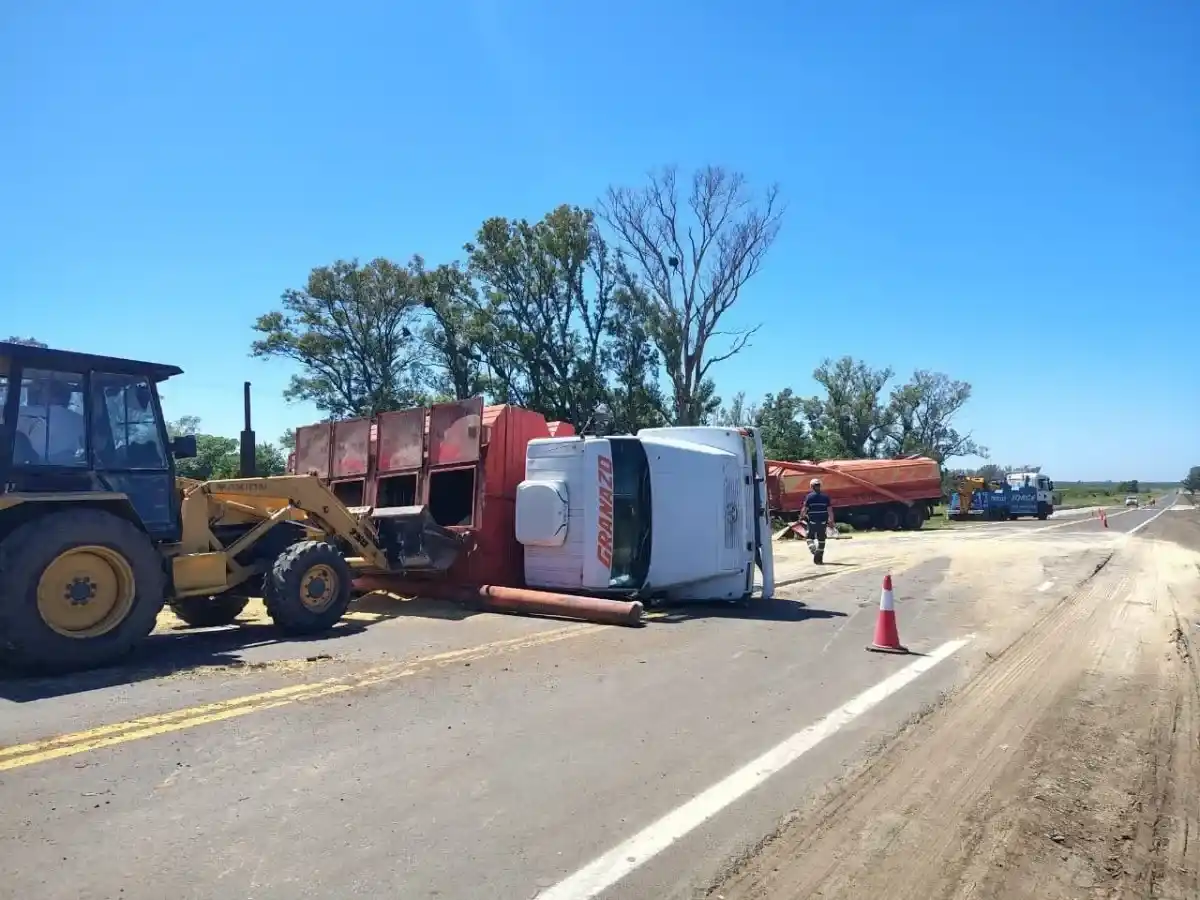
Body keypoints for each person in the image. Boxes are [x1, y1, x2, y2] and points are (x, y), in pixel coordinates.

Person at [17, 377, 86, 466]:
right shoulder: (80, 420)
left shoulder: (22, 413)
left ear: (50, 395)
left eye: (40, 392)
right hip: (69, 472)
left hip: (28, 470)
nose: (37, 396)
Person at [799, 477, 835, 564]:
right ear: (820, 486)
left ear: (811, 486)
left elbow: (804, 509)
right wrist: (831, 521)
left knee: (809, 538)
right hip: (823, 522)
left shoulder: (809, 497)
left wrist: (801, 517)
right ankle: (819, 559)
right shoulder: (825, 497)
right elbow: (830, 510)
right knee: (822, 539)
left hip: (812, 522)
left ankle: (814, 551)